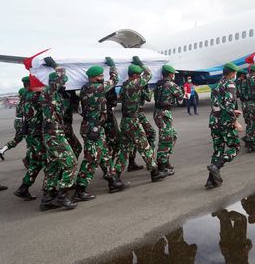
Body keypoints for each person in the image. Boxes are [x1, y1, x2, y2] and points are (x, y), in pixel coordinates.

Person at [114, 57, 167, 188]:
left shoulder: (125, 85)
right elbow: (149, 74)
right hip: (133, 121)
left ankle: (115, 176)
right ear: (136, 75)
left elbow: (120, 98)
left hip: (125, 121)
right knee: (145, 146)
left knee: (124, 149)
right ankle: (154, 173)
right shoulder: (135, 83)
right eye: (139, 74)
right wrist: (141, 63)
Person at [73, 58, 119, 201]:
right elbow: (115, 80)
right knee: (91, 158)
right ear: (93, 77)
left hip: (96, 127)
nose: (102, 78)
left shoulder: (86, 88)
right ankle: (80, 190)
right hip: (92, 128)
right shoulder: (95, 88)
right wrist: (112, 66)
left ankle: (113, 182)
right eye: (100, 76)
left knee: (105, 155)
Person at [36, 60, 77, 210]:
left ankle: (47, 199)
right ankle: (62, 196)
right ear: (54, 82)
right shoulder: (48, 92)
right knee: (70, 162)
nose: (64, 84)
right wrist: (55, 65)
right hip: (53, 134)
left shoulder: (57, 96)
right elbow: (61, 76)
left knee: (53, 166)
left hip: (54, 133)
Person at [205, 62, 242, 190]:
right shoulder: (230, 84)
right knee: (235, 147)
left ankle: (210, 181)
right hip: (225, 122)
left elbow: (217, 105)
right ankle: (217, 166)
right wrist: (235, 121)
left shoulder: (215, 85)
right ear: (232, 73)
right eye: (235, 73)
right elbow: (228, 105)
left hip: (214, 121)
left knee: (218, 150)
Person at [153, 64, 184, 175]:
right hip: (164, 113)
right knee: (165, 139)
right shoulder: (171, 84)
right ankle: (161, 167)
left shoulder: (158, 84)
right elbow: (180, 96)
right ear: (171, 74)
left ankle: (165, 159)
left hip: (158, 112)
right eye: (173, 74)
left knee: (172, 136)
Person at [0, 76, 30, 163]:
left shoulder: (20, 101)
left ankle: (2, 150)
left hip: (18, 121)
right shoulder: (24, 101)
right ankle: (28, 159)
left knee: (18, 139)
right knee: (30, 141)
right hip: (22, 122)